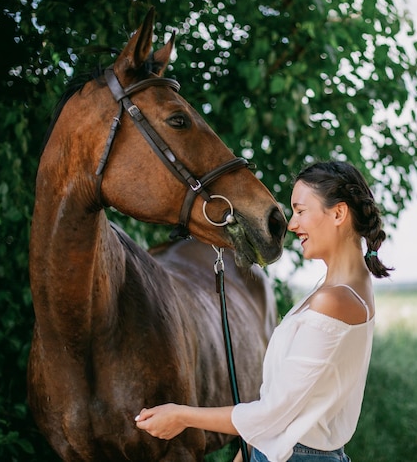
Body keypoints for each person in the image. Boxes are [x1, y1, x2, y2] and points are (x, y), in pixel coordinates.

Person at [135, 161, 392, 461]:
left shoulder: (334, 301)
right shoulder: (343, 287)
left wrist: (181, 416)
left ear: (338, 213)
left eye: (300, 210)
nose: (293, 224)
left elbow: (273, 412)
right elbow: (291, 404)